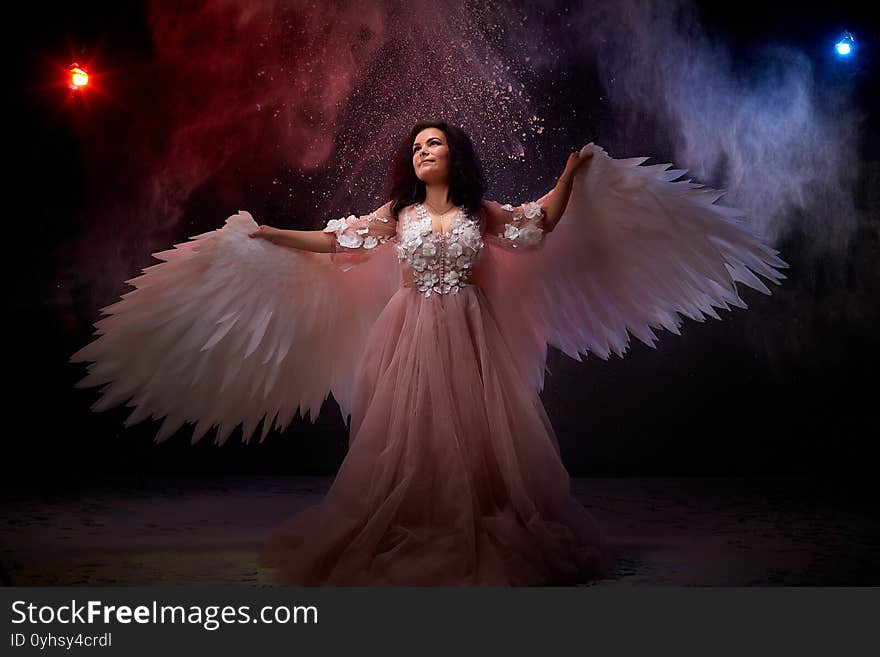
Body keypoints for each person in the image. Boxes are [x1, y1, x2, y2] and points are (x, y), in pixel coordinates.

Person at [71, 121, 789, 586]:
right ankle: (411, 522)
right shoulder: (399, 215)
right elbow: (337, 242)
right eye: (416, 145)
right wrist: (269, 236)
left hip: (470, 333)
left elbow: (538, 225)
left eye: (435, 142)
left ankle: (475, 523)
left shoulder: (482, 213)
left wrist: (573, 175)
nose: (424, 150)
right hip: (411, 332)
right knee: (409, 439)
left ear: (455, 154)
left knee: (478, 437)